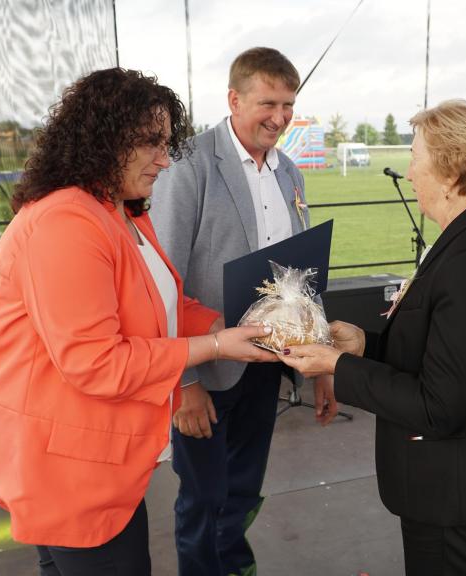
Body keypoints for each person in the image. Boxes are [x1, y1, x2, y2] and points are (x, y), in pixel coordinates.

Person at [0, 68, 275, 576]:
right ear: (103, 140)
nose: (164, 159)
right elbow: (95, 362)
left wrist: (233, 324)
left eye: (166, 143)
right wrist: (216, 347)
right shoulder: (66, 222)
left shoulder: (121, 211)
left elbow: (161, 305)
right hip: (65, 471)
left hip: (93, 462)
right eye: (150, 142)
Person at [278, 99, 466, 575]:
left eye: (416, 157)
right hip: (459, 486)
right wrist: (365, 346)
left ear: (450, 173)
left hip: (459, 495)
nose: (410, 170)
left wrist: (336, 366)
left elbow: (438, 405)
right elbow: (447, 353)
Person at [150, 46, 337, 576]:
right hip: (205, 369)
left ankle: (233, 565)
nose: (280, 117)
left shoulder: (289, 172)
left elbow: (303, 276)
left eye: (288, 104)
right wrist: (183, 383)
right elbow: (163, 279)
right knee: (203, 498)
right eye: (267, 104)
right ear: (234, 100)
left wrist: (323, 363)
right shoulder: (189, 164)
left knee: (243, 489)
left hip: (268, 364)